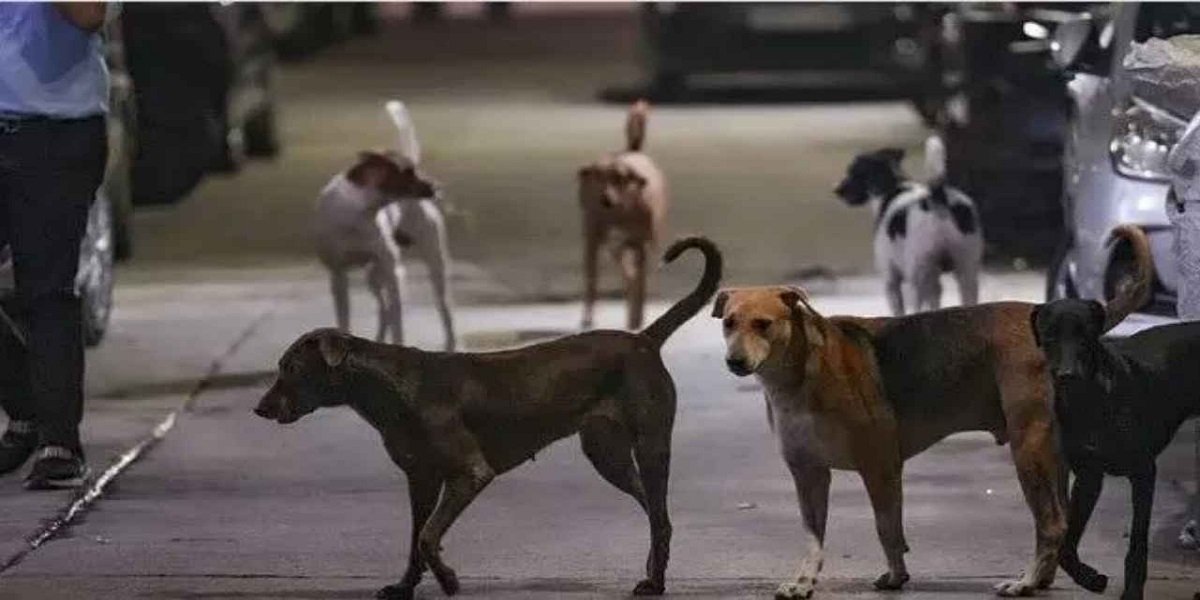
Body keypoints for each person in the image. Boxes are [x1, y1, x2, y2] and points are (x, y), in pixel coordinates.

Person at [0, 2, 110, 489]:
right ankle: (27, 408)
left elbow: (88, 13)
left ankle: (59, 440)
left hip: (54, 133)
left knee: (45, 288)